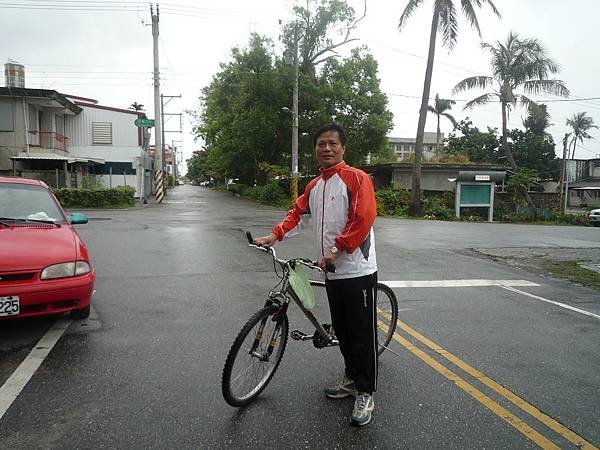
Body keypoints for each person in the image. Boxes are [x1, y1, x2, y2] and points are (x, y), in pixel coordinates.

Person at [253, 123, 378, 426]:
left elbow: (363, 219)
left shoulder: (356, 179)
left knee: (362, 334)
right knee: (343, 332)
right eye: (321, 144)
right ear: (316, 149)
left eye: (332, 143)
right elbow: (297, 213)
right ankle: (351, 379)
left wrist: (337, 250)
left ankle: (367, 392)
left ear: (342, 148)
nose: (326, 148)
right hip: (330, 271)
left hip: (357, 269)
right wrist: (275, 236)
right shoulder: (315, 186)